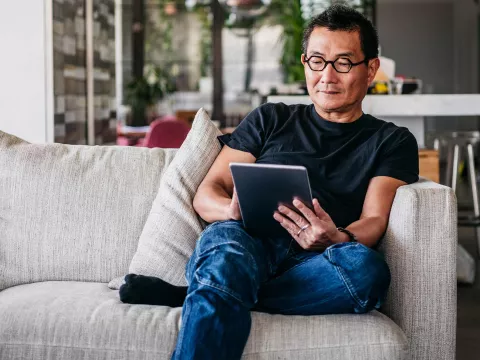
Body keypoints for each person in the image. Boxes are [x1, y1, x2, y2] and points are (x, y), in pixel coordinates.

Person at [120, 4, 419, 359]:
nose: (327, 76)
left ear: (371, 69)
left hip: (317, 259)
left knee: (366, 271)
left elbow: (374, 220)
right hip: (246, 242)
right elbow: (207, 193)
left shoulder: (392, 140)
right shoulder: (270, 119)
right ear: (305, 62)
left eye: (343, 62)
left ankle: (203, 291)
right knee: (227, 253)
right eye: (317, 61)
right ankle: (222, 282)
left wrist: (337, 237)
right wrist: (230, 212)